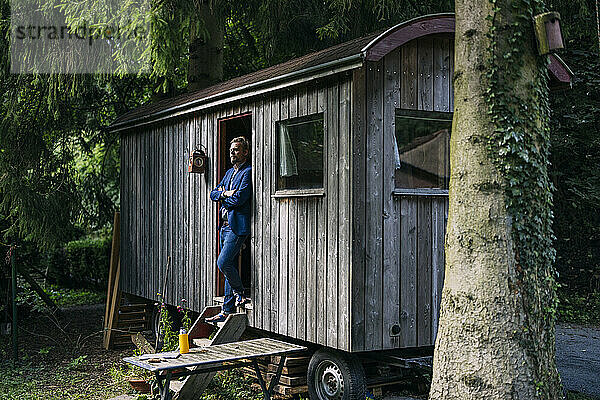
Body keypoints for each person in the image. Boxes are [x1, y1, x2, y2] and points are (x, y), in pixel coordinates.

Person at [206, 136, 252, 323]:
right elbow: (213, 193)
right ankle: (226, 310)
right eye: (231, 149)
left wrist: (225, 197)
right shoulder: (228, 173)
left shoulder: (247, 172)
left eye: (236, 149)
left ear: (245, 152)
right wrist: (225, 193)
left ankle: (239, 292)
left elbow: (240, 198)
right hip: (223, 226)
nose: (232, 153)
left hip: (236, 227)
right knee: (229, 265)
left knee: (223, 263)